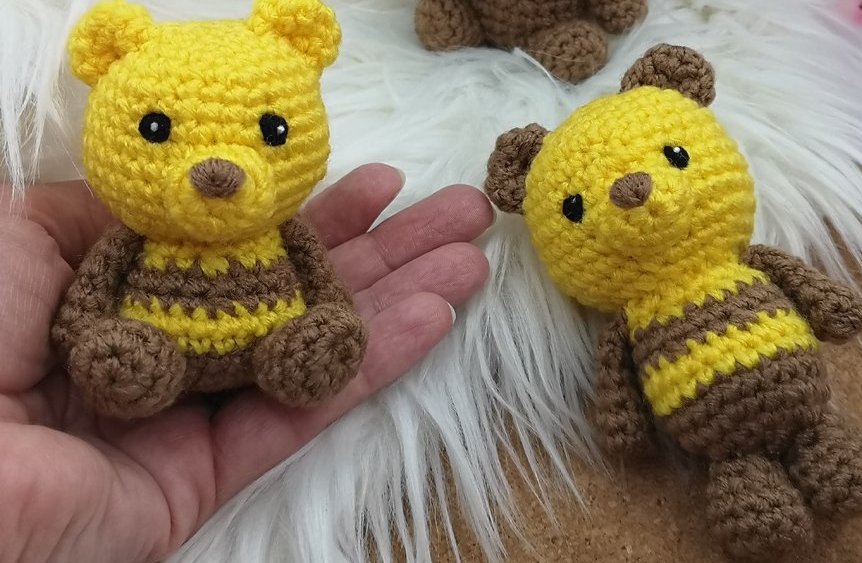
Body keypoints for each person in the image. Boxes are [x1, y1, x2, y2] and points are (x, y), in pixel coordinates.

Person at [0, 164, 493, 563]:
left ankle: (301, 355)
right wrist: (82, 335)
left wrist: (332, 314)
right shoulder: (136, 233)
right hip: (151, 349)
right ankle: (127, 367)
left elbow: (321, 278)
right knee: (124, 363)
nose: (219, 173)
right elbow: (92, 290)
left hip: (269, 345)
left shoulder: (282, 230)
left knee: (316, 341)